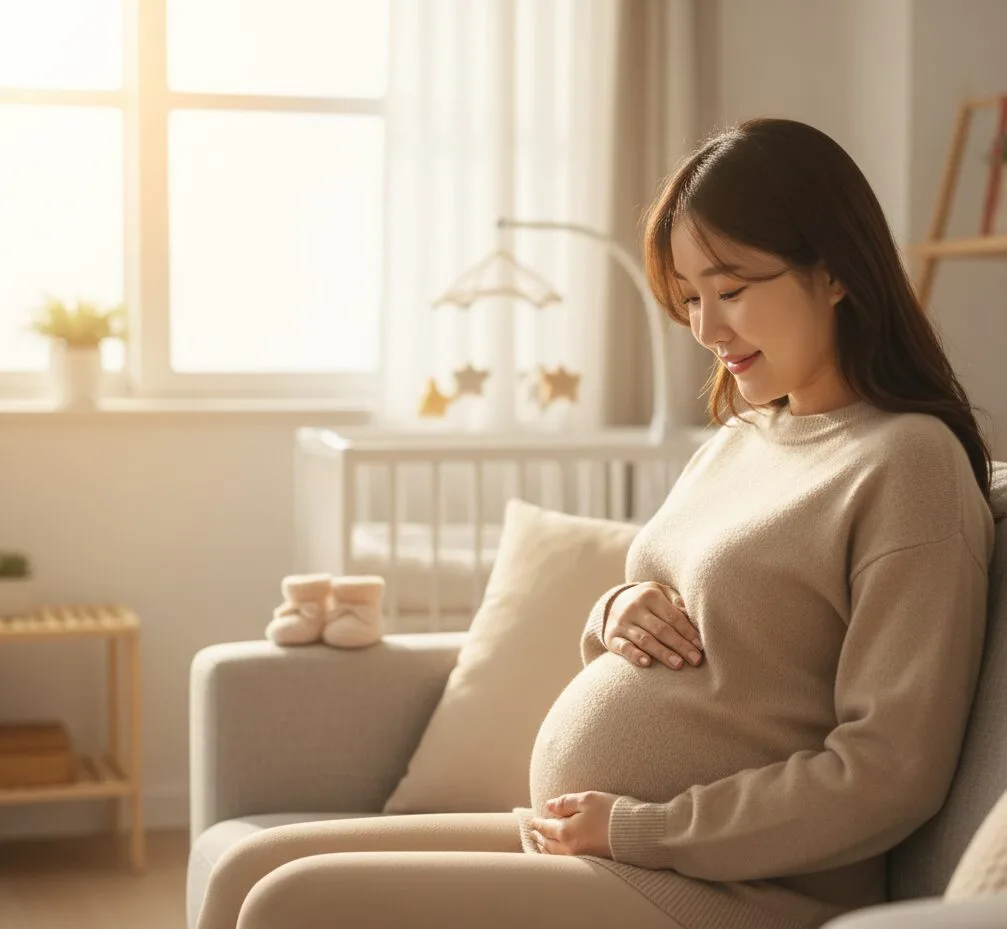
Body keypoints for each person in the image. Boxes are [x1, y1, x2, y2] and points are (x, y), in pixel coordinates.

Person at [195, 118, 997, 929]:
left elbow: (889, 770)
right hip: (613, 846)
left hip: (740, 888)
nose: (706, 329)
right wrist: (613, 611)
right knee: (250, 869)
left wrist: (644, 827)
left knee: (289, 902)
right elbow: (708, 634)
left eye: (730, 290)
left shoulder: (908, 463)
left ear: (833, 272)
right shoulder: (743, 437)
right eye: (689, 298)